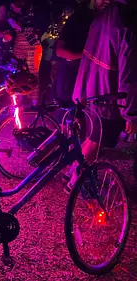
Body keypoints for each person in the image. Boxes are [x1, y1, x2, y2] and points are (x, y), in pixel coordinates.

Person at [68, 0, 137, 190]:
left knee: (88, 138)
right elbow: (128, 76)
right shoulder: (127, 25)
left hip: (86, 89)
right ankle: (75, 182)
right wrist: (130, 114)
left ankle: (72, 175)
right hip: (104, 97)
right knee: (93, 143)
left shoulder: (103, 16)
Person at [52, 0, 96, 122]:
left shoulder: (98, 18)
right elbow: (60, 51)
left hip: (85, 75)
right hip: (71, 76)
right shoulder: (78, 19)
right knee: (68, 117)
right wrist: (87, 55)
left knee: (79, 117)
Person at [8, 0, 43, 106]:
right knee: (17, 73)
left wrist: (20, 27)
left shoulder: (32, 12)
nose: (14, 10)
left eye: (15, 7)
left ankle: (34, 105)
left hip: (32, 46)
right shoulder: (14, 15)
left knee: (33, 74)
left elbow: (35, 29)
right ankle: (18, 105)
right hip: (18, 45)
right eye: (12, 8)